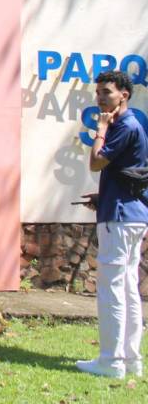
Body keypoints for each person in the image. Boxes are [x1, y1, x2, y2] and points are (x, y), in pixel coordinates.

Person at [75, 70, 148, 379]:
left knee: (111, 288)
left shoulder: (122, 126)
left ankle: (111, 361)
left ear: (124, 95)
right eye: (98, 93)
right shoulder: (135, 126)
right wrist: (102, 194)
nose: (100, 98)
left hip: (119, 218)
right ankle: (131, 359)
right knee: (128, 287)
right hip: (132, 214)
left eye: (106, 92)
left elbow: (96, 161)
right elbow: (127, 173)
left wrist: (100, 129)